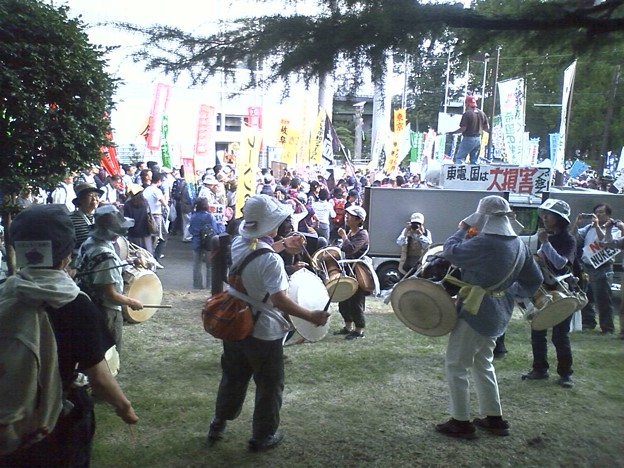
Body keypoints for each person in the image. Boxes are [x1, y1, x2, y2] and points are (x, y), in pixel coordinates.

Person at [0, 205, 138, 466]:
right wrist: (125, 408)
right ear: (65, 256)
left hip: (9, 423)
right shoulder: (75, 305)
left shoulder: (5, 293)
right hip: (56, 422)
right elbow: (99, 377)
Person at [207, 194, 330, 452]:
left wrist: (283, 244)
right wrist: (312, 317)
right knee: (269, 385)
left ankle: (218, 423)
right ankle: (263, 436)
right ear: (271, 224)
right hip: (263, 333)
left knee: (232, 377)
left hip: (235, 325)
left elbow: (259, 252)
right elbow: (281, 301)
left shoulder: (240, 243)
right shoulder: (271, 261)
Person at [435, 195, 542, 439]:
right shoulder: (519, 244)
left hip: (475, 310)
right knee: (483, 362)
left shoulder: (484, 242)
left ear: (482, 216)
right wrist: (508, 291)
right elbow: (533, 279)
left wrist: (463, 227)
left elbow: (450, 251)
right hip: (500, 309)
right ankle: (494, 417)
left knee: (456, 363)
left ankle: (460, 421)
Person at [521, 199, 577, 388]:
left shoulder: (568, 239)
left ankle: (565, 373)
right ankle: (539, 368)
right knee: (537, 329)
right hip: (543, 289)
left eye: (549, 214)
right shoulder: (544, 236)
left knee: (560, 335)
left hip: (562, 290)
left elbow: (561, 264)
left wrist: (545, 243)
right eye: (543, 214)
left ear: (560, 219)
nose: (544, 218)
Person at [77, 205, 143, 354]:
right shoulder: (106, 256)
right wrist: (132, 302)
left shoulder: (89, 243)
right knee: (109, 353)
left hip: (89, 303)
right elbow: (110, 294)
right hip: (107, 310)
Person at [571, 203, 621, 334]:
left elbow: (605, 242)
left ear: (608, 214)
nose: (598, 215)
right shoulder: (588, 228)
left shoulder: (614, 228)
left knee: (603, 298)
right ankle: (588, 321)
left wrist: (598, 226)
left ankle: (607, 328)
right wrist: (576, 224)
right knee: (586, 295)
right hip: (587, 265)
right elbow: (574, 238)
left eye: (601, 212)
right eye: (596, 212)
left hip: (603, 266)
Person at [333, 205, 370, 340]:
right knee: (343, 300)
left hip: (357, 272)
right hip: (348, 271)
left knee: (355, 301)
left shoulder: (362, 234)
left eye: (350, 216)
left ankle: (359, 330)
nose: (347, 217)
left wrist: (343, 236)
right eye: (347, 215)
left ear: (358, 219)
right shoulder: (351, 233)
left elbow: (350, 249)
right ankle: (348, 326)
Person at [189, 197, 225, 289]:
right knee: (210, 266)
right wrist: (222, 223)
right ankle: (209, 286)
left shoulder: (193, 216)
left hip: (196, 243)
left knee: (197, 266)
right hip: (209, 243)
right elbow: (216, 230)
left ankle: (197, 286)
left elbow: (191, 230)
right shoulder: (210, 216)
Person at [450, 95, 489, 165]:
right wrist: (478, 128)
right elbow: (487, 127)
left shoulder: (467, 114)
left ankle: (461, 174)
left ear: (467, 104)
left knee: (460, 158)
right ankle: (474, 175)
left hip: (468, 138)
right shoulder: (482, 113)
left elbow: (463, 128)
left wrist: (453, 132)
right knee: (474, 160)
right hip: (478, 139)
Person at [69, 182, 103, 256]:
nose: (94, 199)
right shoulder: (70, 219)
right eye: (90, 195)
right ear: (80, 200)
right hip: (78, 261)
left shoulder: (101, 217)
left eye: (97, 195)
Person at [143, 172, 169, 260]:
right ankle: (155, 258)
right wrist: (166, 197)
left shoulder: (146, 189)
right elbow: (164, 203)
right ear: (159, 181)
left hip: (147, 215)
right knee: (160, 237)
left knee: (151, 237)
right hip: (156, 215)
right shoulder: (156, 190)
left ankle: (151, 257)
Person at [123, 183, 153, 253]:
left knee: (135, 253)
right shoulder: (145, 202)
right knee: (147, 253)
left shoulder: (128, 204)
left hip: (133, 233)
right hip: (145, 231)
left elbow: (127, 219)